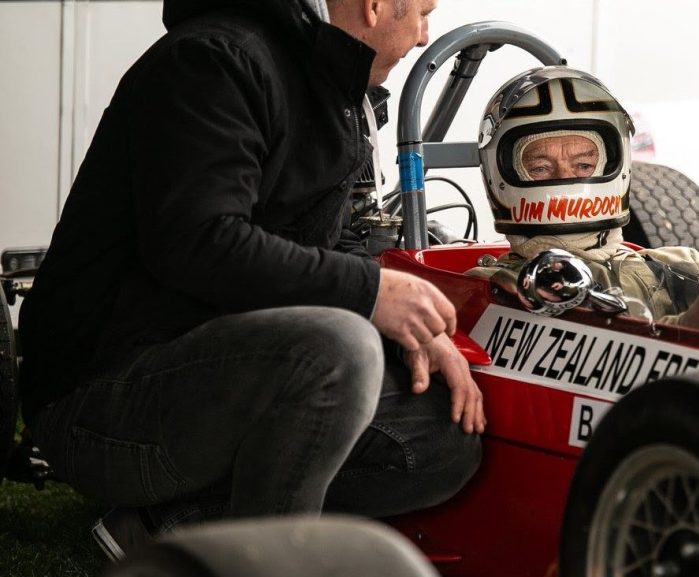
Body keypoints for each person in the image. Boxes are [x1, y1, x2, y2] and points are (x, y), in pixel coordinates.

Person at [18, 0, 483, 560]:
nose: (424, 36)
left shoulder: (325, 84)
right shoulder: (215, 60)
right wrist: (370, 293)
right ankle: (259, 566)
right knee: (337, 348)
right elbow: (197, 242)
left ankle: (168, 526)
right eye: (423, 13)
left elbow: (312, 254)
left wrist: (416, 331)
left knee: (443, 437)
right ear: (376, 5)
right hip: (99, 408)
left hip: (217, 375)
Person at [468, 67, 699, 330]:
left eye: (584, 165)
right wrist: (692, 323)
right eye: (540, 167)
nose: (566, 177)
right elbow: (576, 360)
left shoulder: (686, 265)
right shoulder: (496, 287)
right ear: (501, 174)